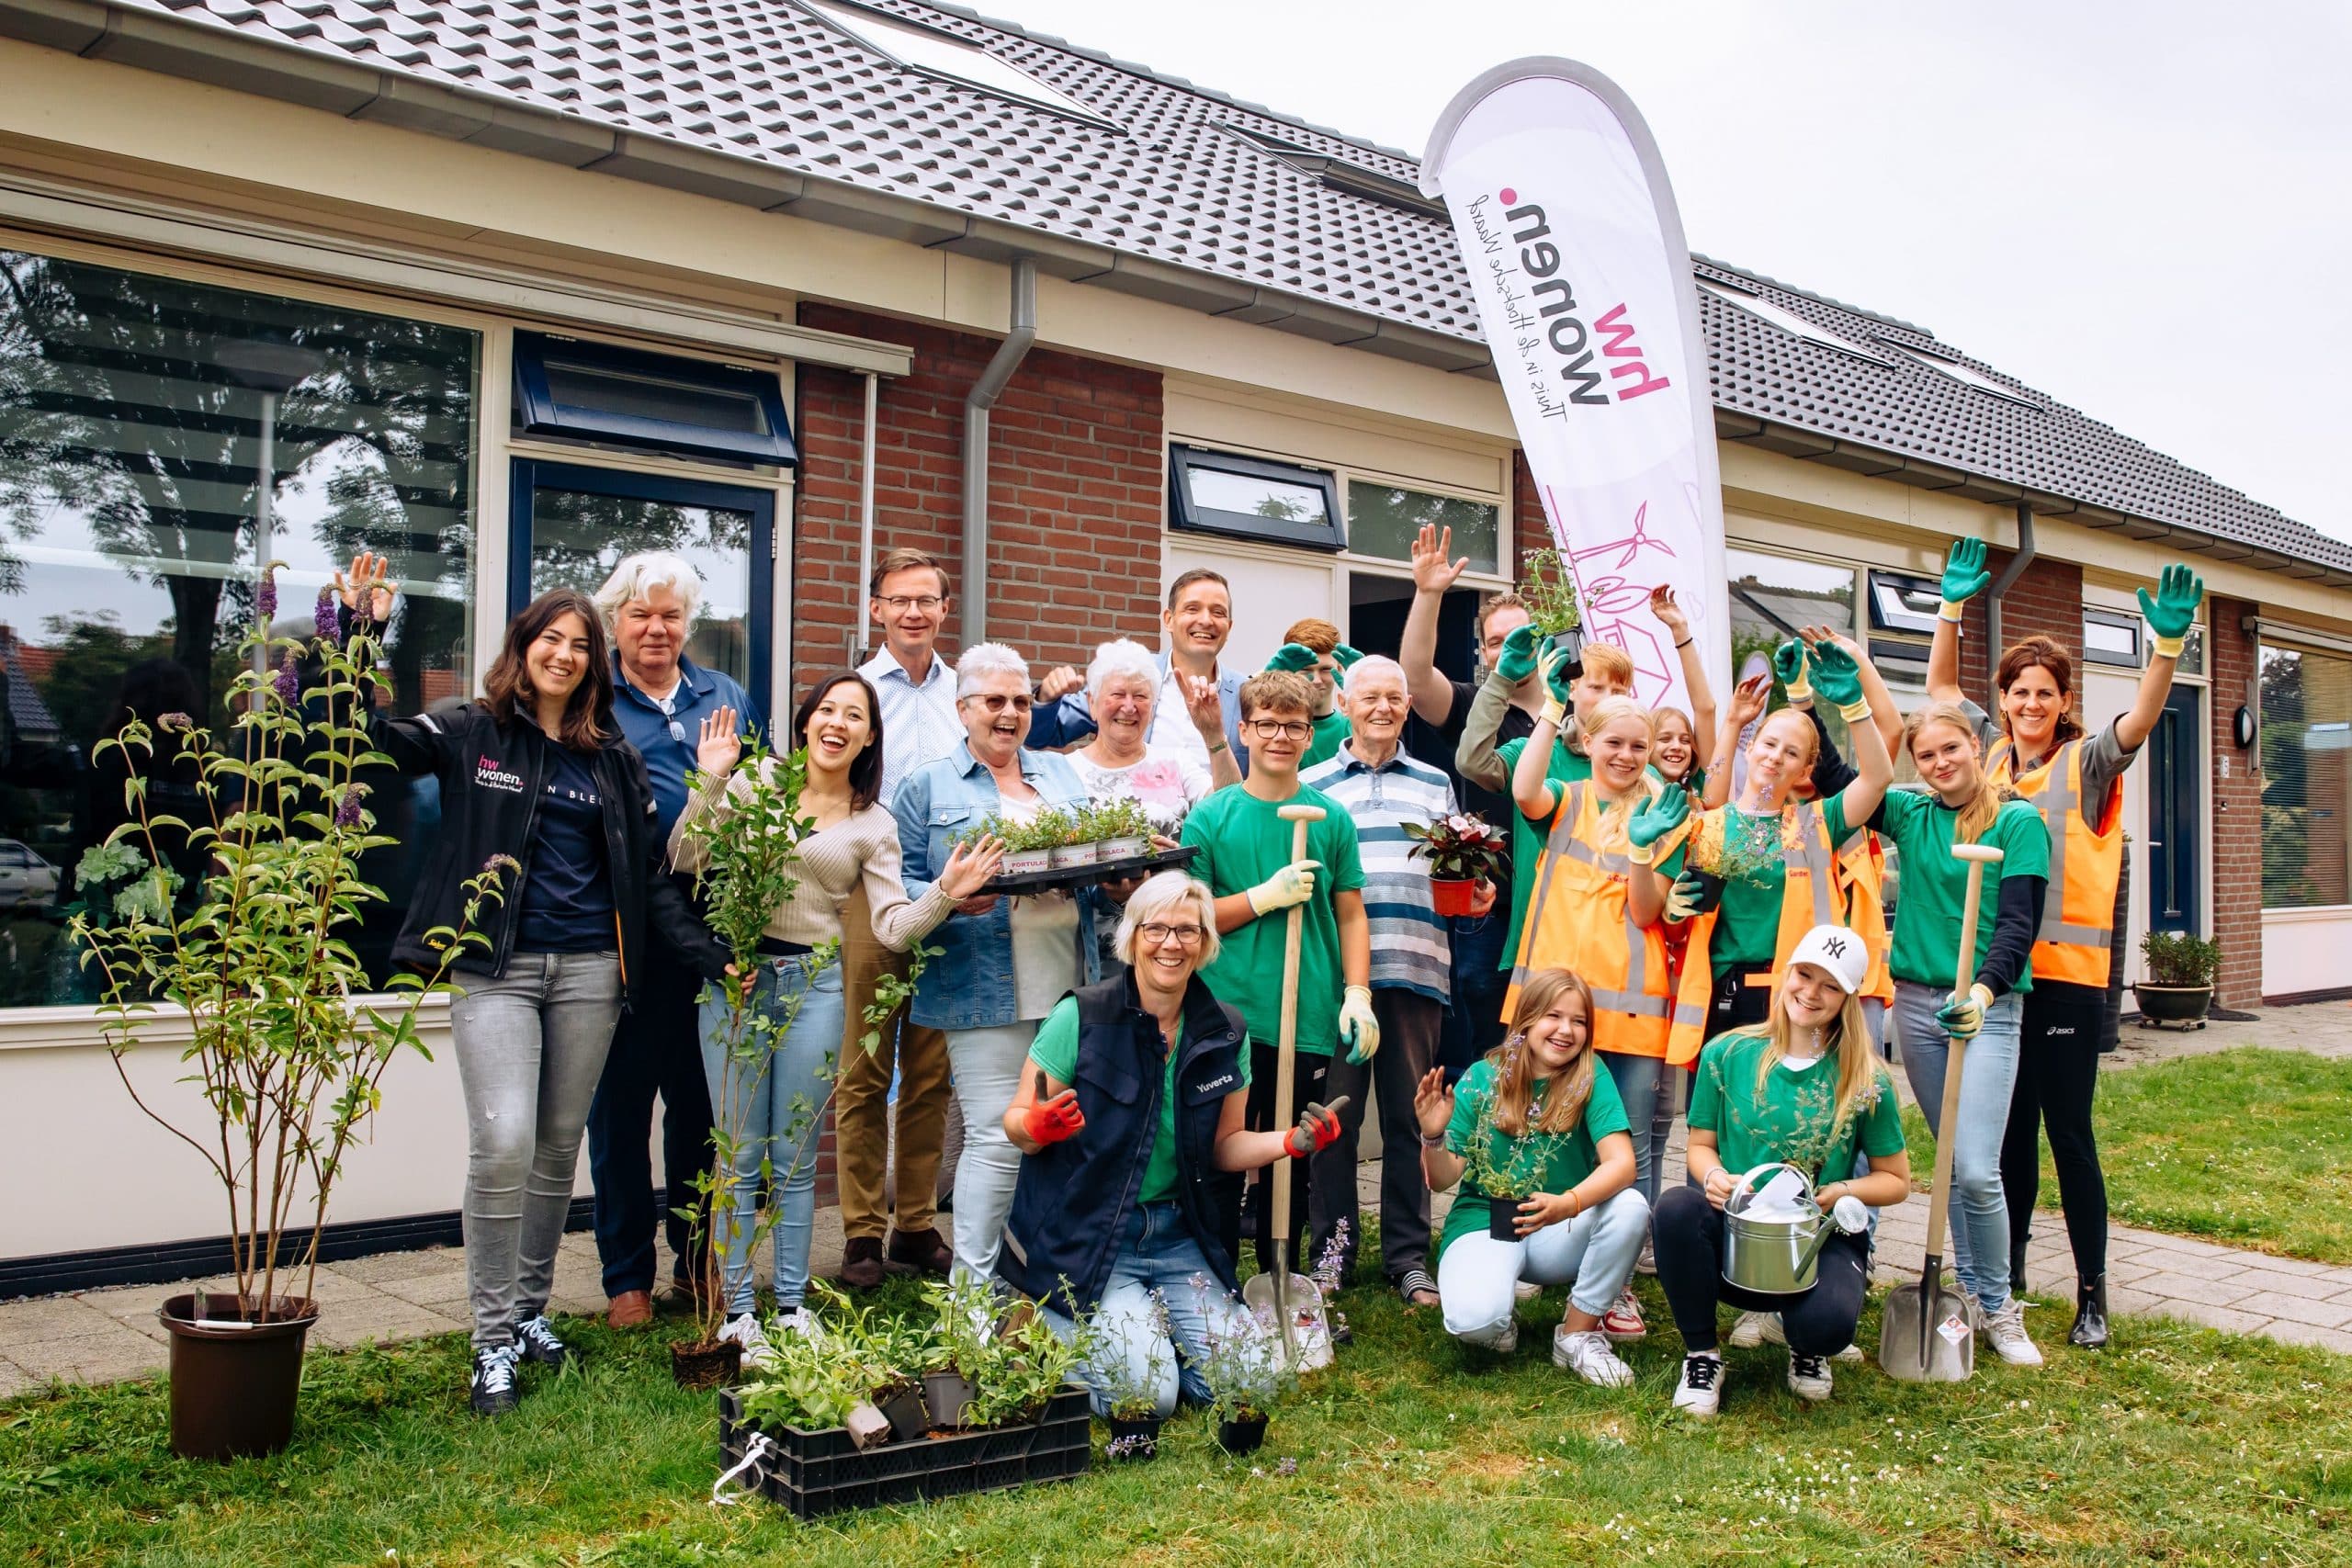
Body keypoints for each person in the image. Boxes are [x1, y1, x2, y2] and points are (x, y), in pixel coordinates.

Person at [333, 553, 727, 1416]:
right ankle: (489, 1343)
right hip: (496, 970)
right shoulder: (471, 732)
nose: (565, 654)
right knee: (504, 1142)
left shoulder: (611, 757)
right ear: (525, 646)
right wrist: (361, 631)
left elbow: (650, 879)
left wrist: (706, 950)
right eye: (552, 638)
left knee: (555, 1149)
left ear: (593, 662)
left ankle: (526, 1313)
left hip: (590, 971)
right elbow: (362, 739)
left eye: (579, 644)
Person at [669, 674, 1002, 1363]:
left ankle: (789, 1305)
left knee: (792, 1160)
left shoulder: (871, 822)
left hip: (813, 985)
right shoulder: (757, 782)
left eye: (856, 714)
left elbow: (892, 926)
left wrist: (942, 892)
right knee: (738, 1154)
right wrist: (709, 782)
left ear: (869, 736)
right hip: (736, 979)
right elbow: (684, 858)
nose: (839, 722)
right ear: (806, 721)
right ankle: (736, 1311)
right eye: (828, 709)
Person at [1929, 544, 2203, 1349]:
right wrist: (1948, 612)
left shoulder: (2085, 763)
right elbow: (1942, 692)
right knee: (2005, 1135)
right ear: (2004, 699)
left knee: (2067, 1134)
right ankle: (2006, 1279)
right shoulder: (1985, 763)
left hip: (2070, 984)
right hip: (1999, 982)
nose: (2030, 704)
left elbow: (2144, 720)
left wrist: (2165, 649)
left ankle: (2092, 1294)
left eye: (2044, 693)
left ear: (2064, 700)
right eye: (2018, 692)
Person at [1000, 872, 1341, 1417]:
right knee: (1146, 1401)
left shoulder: (1226, 1031)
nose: (1171, 943)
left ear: (1205, 943)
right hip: (1092, 1237)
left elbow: (1225, 1146)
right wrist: (1036, 1128)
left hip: (1178, 1237)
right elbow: (1016, 1117)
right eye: (1156, 929)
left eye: (1188, 931)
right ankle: (1050, 1325)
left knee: (1251, 1387)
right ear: (1133, 937)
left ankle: (1145, 1337)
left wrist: (1291, 1142)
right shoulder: (1083, 1016)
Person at [584, 552, 762, 1331]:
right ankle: (626, 1275)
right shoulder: (595, 699)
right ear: (615, 620)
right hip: (623, 925)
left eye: (671, 615)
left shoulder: (724, 697)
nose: (657, 629)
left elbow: (757, 804)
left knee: (697, 1107)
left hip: (710, 927)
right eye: (640, 614)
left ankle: (695, 1261)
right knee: (620, 1108)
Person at [893, 642, 1102, 1284]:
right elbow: (900, 893)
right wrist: (951, 898)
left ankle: (1039, 1281)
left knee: (1056, 1136)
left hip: (1070, 982)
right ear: (963, 708)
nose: (1009, 713)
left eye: (1019, 700)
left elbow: (1093, 860)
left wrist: (1104, 880)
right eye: (993, 701)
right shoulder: (925, 784)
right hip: (980, 988)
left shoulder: (1063, 776)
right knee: (994, 1137)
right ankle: (972, 1296)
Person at [1510, 674, 1699, 1341]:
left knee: (1634, 1155)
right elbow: (1522, 789)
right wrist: (1551, 708)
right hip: (1555, 1007)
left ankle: (1615, 1288)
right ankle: (1539, 1254)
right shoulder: (1571, 797)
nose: (1626, 755)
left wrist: (1646, 847)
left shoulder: (1668, 810)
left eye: (1639, 745)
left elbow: (1647, 910)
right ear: (1587, 742)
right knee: (1542, 1133)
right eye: (1613, 741)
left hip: (1634, 1010)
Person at [1657, 925, 1914, 1417]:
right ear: (1785, 974)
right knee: (1674, 1209)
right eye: (1804, 974)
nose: (1810, 993)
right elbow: (1700, 1146)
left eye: (1830, 985)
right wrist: (1712, 1177)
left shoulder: (1866, 1077)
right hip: (1740, 1229)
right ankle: (1702, 1355)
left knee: (1828, 1327)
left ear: (1849, 998)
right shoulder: (1727, 1054)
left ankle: (1806, 1345)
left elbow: (1896, 1181)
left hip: (1816, 1237)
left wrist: (1840, 1191)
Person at [1871, 699, 2053, 1367]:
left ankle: (1998, 1303)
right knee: (1947, 1160)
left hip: (1986, 1007)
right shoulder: (1911, 813)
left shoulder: (2018, 819)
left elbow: (2018, 923)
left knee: (1977, 1167)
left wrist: (1982, 990)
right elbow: (1846, 781)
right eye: (1926, 755)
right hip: (1916, 1004)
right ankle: (1966, 1292)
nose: (1941, 763)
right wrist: (1833, 703)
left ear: (1978, 746)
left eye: (1951, 749)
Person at [1180, 670, 1373, 1284]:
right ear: (1243, 730)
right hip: (1227, 1015)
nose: (1281, 736)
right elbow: (1193, 915)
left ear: (1310, 733)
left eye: (1295, 725)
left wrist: (1358, 992)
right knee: (1222, 1155)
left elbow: (1350, 910)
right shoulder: (1211, 817)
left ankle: (1282, 1279)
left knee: (1291, 1155)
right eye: (1267, 724)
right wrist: (1262, 897)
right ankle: (1213, 1283)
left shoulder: (1332, 819)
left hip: (1305, 1013)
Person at [1299, 655, 1476, 1308]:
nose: (1382, 707)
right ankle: (1332, 1254)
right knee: (1331, 1123)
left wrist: (1475, 891)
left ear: (1407, 706)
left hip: (1415, 969)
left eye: (1394, 698)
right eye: (1369, 696)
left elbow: (1457, 871)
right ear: (1343, 701)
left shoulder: (1435, 782)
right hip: (1335, 984)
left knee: (1410, 1120)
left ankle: (1407, 1256)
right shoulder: (1312, 783)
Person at [1414, 967, 1646, 1382]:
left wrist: (1568, 1203)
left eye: (1579, 1021)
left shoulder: (1590, 1076)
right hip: (1484, 1223)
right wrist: (1433, 1135)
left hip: (1561, 1226)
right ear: (1526, 1019)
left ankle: (1577, 1335)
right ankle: (1498, 1312)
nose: (1566, 1030)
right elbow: (1443, 1179)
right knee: (1474, 1324)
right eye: (1554, 1016)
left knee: (1631, 1207)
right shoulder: (1483, 1078)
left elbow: (1622, 1163)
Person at [1664, 637, 1895, 1039]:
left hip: (1803, 996)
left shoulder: (1818, 822)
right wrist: (1671, 910)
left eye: (1791, 753)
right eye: (1769, 744)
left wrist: (1855, 708)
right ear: (1751, 747)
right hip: (1727, 997)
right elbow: (1675, 924)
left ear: (1806, 767)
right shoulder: (1709, 825)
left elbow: (1878, 779)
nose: (1775, 757)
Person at [841, 547, 967, 1287]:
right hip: (871, 888)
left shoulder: (966, 690)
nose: (914, 612)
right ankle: (861, 1231)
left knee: (929, 1074)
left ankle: (914, 1225)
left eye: (927, 600)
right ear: (876, 608)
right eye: (900, 600)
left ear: (944, 610)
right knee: (864, 1069)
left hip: (947, 894)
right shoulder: (855, 691)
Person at [1397, 525, 1537, 1077]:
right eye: (1498, 640)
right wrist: (1429, 594)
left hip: (1556, 902)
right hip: (1489, 908)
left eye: (1520, 637)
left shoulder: (1577, 714)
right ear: (1483, 651)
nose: (1510, 649)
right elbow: (1413, 677)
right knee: (1485, 1046)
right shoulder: (1472, 703)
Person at [1462, 635, 1641, 1039]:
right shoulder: (1540, 750)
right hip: (1538, 946)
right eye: (1597, 686)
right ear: (1572, 687)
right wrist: (1502, 679)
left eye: (1619, 689)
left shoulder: (1638, 771)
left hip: (1612, 957)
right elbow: (1472, 762)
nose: (1608, 697)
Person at [1024, 569, 1250, 773]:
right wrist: (1045, 699)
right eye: (1192, 609)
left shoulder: (1246, 694)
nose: (1205, 620)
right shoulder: (1129, 674)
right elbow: (1038, 736)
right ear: (1169, 620)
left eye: (1218, 613)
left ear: (1229, 627)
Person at [1068, 637, 1235, 834]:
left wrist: (1214, 735)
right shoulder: (1065, 771)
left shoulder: (1177, 762)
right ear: (1092, 703)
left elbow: (1230, 810)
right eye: (1118, 694)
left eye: (1140, 696)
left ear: (1153, 706)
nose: (1129, 707)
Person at [1260, 617, 1357, 769]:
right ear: (1290, 671)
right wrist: (1266, 686)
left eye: (1325, 669)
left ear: (1339, 669)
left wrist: (1369, 692)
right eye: (1306, 670)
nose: (1317, 680)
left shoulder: (1353, 727)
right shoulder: (1272, 730)